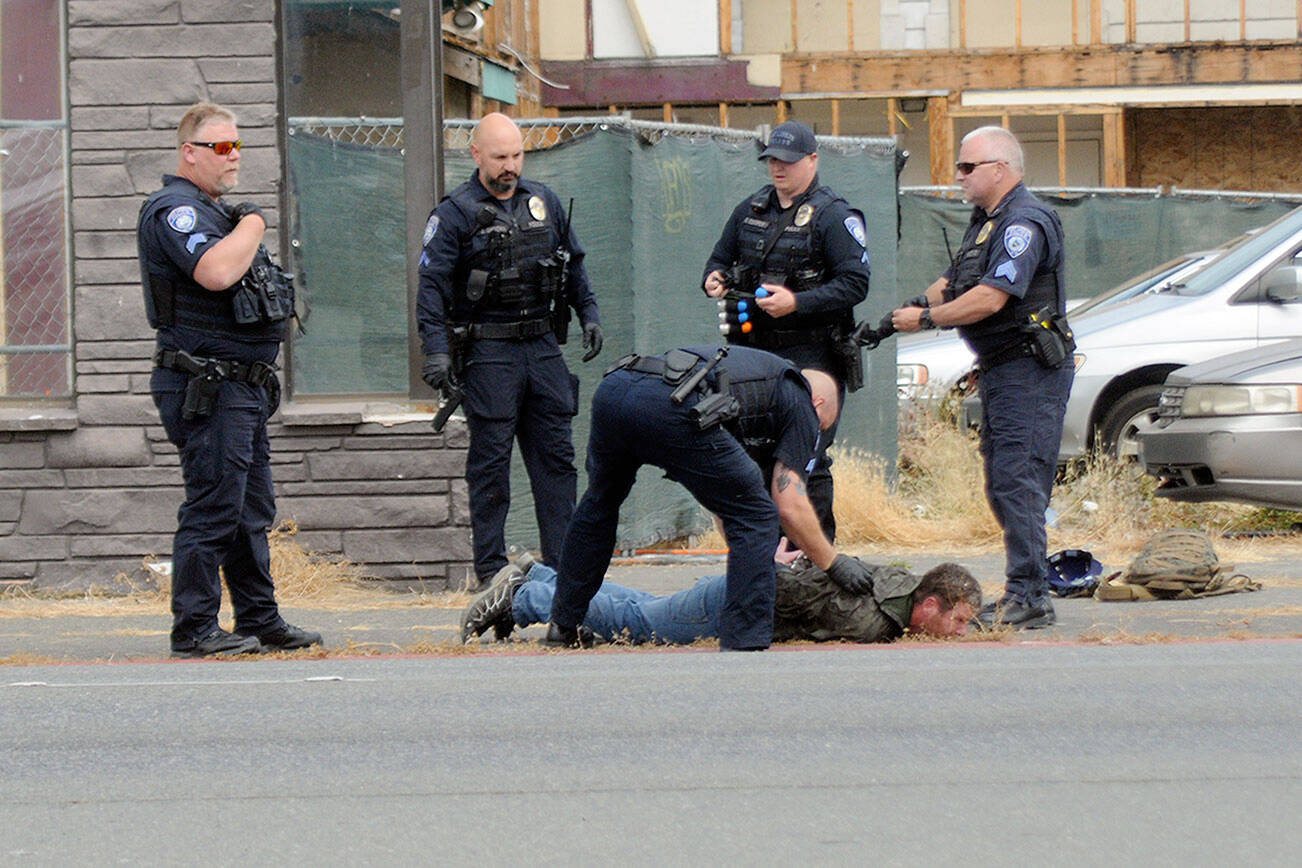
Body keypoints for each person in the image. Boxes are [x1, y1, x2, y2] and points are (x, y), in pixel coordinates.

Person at [545, 344, 879, 652]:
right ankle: (744, 638)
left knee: (599, 504)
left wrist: (758, 557)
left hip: (616, 389)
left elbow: (724, 497)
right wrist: (833, 563)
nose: (813, 437)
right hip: (673, 401)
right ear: (818, 404)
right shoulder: (799, 399)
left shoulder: (747, 391)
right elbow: (787, 503)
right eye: (820, 428)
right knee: (759, 515)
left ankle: (564, 622)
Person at [137, 102, 322, 657]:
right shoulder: (177, 211)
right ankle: (193, 627)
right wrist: (256, 221)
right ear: (189, 152)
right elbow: (216, 272)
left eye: (237, 144)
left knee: (248, 511)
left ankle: (260, 619)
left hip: (240, 387)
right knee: (215, 505)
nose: (233, 154)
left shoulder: (216, 212)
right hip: (207, 385)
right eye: (221, 146)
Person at [889, 126, 1073, 630]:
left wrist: (927, 321)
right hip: (1001, 368)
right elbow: (956, 280)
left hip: (1029, 369)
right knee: (1002, 482)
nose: (959, 176)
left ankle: (1030, 595)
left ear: (1001, 169)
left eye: (968, 167)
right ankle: (1025, 589)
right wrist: (910, 308)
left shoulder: (1024, 223)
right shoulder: (987, 221)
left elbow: (992, 297)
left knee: (1019, 481)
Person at [417, 112, 602, 589]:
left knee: (557, 462)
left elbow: (573, 264)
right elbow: (432, 287)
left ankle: (564, 572)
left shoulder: (544, 201)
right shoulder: (454, 213)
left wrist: (590, 315)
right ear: (476, 154)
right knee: (491, 466)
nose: (510, 166)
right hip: (489, 351)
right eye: (500, 156)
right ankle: (491, 574)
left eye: (517, 155)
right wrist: (436, 351)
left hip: (541, 348)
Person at [702, 120, 870, 542]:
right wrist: (715, 279)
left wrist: (797, 302)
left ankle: (816, 562)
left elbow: (855, 283)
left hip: (812, 352)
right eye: (773, 160)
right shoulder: (750, 210)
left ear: (812, 160)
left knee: (804, 459)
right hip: (753, 353)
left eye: (789, 161)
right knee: (752, 457)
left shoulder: (834, 215)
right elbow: (717, 260)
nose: (779, 169)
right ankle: (766, 561)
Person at [461, 556, 981, 645]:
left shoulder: (900, 585)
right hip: (735, 603)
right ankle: (527, 597)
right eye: (958, 622)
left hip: (740, 590)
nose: (959, 633)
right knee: (641, 625)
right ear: (929, 605)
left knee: (644, 604)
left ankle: (542, 575)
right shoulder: (872, 619)